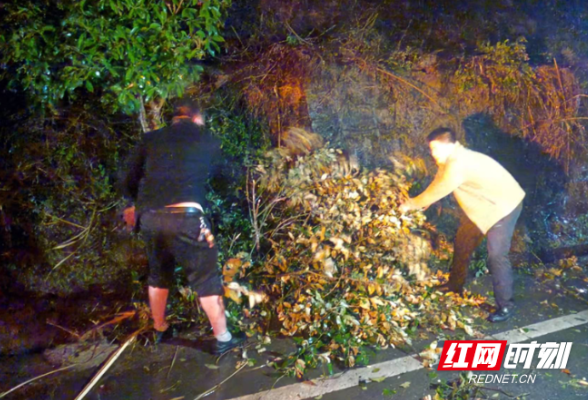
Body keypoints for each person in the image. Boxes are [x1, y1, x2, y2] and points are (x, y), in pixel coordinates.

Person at [120, 101, 245, 353]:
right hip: (186, 217)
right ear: (197, 119)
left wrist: (135, 204)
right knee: (206, 276)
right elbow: (229, 176)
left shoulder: (151, 139)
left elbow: (126, 178)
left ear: (176, 119)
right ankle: (223, 338)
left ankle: (160, 329)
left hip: (150, 218)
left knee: (158, 272)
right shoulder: (207, 138)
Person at [400, 127, 525, 322]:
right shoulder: (449, 159)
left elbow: (441, 187)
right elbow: (438, 182)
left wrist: (411, 204)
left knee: (497, 256)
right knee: (463, 242)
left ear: (447, 146)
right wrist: (427, 200)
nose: (432, 154)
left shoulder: (458, 163)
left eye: (434, 149)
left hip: (504, 206)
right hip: (484, 207)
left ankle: (506, 306)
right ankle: (454, 285)